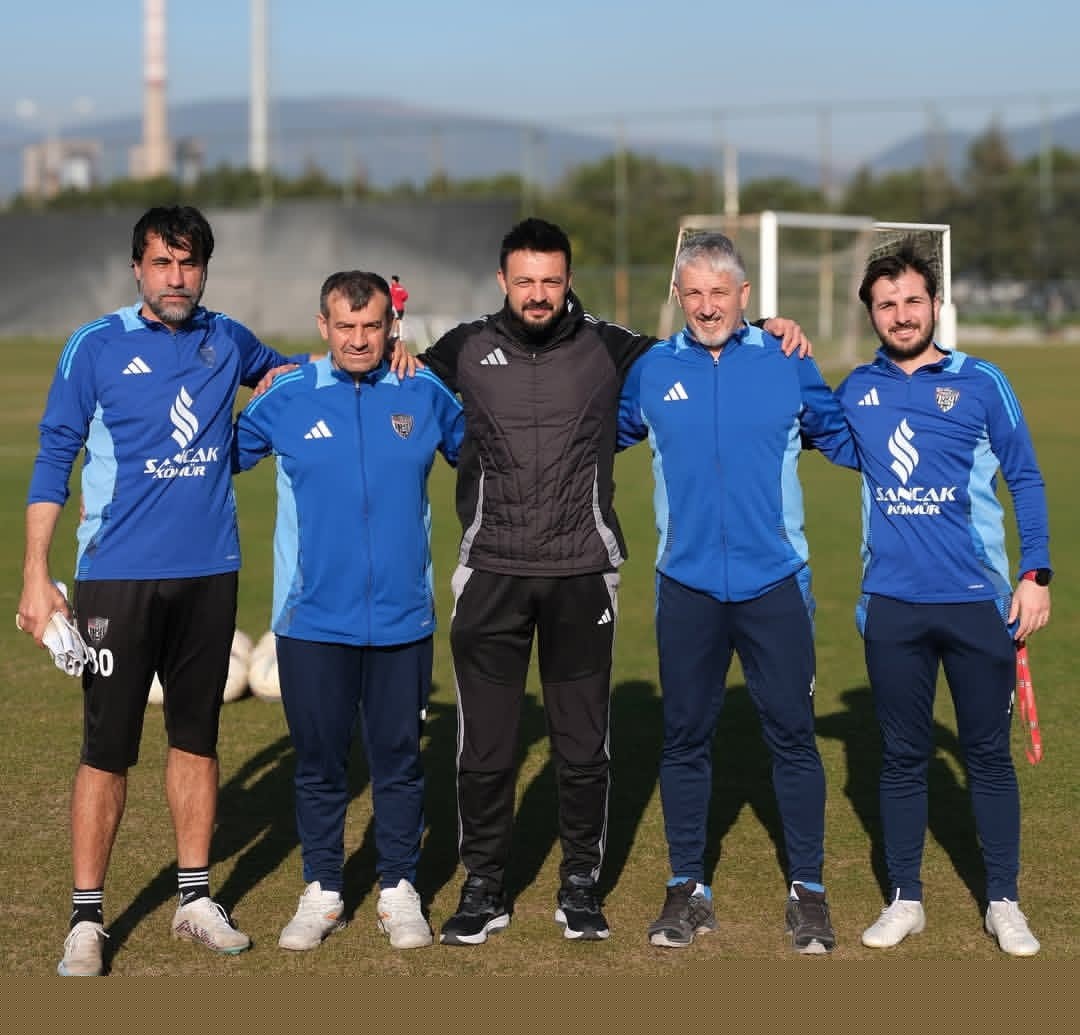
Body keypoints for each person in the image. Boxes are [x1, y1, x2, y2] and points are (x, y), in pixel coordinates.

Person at [413, 217, 812, 946]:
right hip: (492, 569)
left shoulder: (615, 347)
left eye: (552, 281)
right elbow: (394, 385)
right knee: (487, 747)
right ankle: (483, 886)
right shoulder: (459, 349)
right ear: (503, 281)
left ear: (570, 282)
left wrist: (770, 327)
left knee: (582, 745)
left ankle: (580, 886)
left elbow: (702, 349)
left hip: (581, 572)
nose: (539, 295)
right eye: (525, 281)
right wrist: (339, 361)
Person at [17, 204, 302, 976]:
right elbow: (54, 459)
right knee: (106, 750)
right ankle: (86, 916)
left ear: (203, 269)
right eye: (162, 263)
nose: (176, 278)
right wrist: (36, 572)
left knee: (197, 739)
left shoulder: (227, 338)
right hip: (116, 575)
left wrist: (383, 355)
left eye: (189, 264)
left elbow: (295, 370)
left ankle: (195, 898)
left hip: (210, 572)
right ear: (137, 268)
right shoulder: (94, 346)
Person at [617, 232, 855, 954]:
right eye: (693, 292)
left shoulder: (787, 361)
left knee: (792, 735)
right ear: (679, 297)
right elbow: (588, 433)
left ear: (745, 297)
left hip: (774, 583)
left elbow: (848, 438)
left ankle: (808, 890)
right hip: (685, 585)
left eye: (720, 292)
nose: (707, 305)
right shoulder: (653, 369)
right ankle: (687, 887)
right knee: (685, 737)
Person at [233, 271, 463, 952]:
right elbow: (216, 460)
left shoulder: (423, 392)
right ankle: (324, 887)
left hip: (403, 618)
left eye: (371, 327)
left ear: (391, 324)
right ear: (323, 326)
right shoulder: (288, 396)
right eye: (345, 327)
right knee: (319, 761)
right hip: (310, 621)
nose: (359, 340)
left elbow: (484, 454)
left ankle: (398, 887)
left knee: (398, 758)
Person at [834, 241, 1051, 956]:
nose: (901, 314)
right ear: (872, 312)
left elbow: (1025, 477)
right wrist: (774, 337)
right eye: (886, 303)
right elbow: (799, 421)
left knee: (987, 754)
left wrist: (1036, 573)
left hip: (977, 602)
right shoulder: (856, 391)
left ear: (935, 304)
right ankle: (905, 898)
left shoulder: (982, 381)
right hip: (892, 604)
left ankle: (1003, 900)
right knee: (900, 755)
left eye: (912, 300)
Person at [390, 274, 409, 342]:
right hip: (401, 307)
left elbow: (389, 296)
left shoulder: (392, 288)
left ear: (394, 281)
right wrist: (401, 300)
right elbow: (406, 296)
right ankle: (398, 335)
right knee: (399, 320)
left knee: (395, 320)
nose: (391, 281)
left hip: (395, 307)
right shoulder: (401, 288)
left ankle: (397, 335)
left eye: (392, 280)